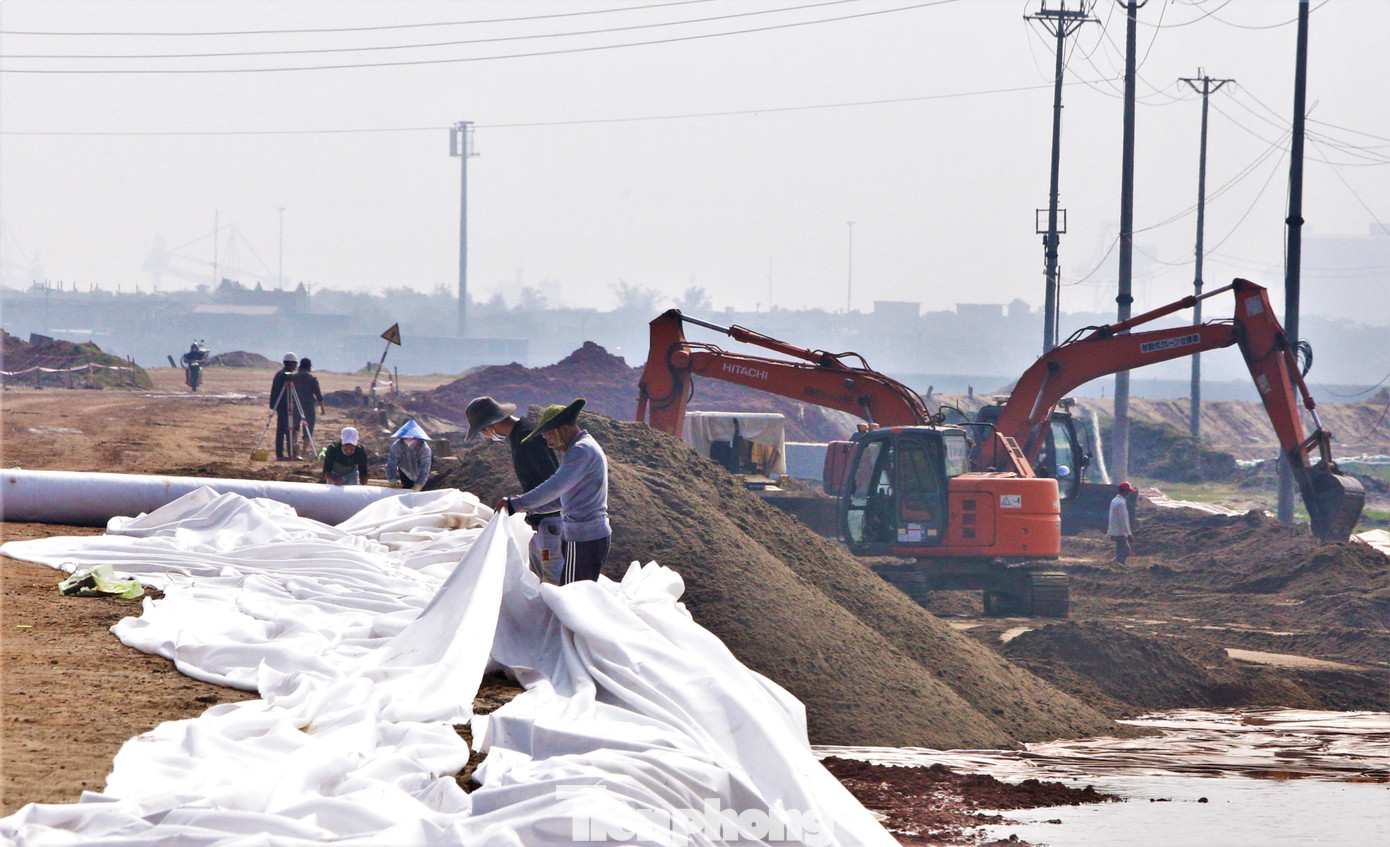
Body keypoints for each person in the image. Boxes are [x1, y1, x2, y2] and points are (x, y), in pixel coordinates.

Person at [493, 399, 610, 585]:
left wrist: (517, 504)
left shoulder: (581, 451)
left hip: (583, 537)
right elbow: (562, 498)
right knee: (577, 595)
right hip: (587, 535)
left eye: (548, 436)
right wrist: (529, 509)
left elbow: (555, 486)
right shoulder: (584, 447)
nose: (548, 443)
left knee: (571, 597)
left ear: (563, 429)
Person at [466, 396, 562, 581]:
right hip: (543, 522)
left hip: (551, 523)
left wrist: (519, 504)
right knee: (540, 580)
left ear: (489, 427)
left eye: (481, 431)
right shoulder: (521, 434)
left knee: (553, 585)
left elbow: (552, 485)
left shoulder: (528, 438)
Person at [386, 419, 434, 491]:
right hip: (405, 472)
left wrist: (418, 485)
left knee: (421, 495)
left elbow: (424, 470)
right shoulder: (397, 447)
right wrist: (392, 480)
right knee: (406, 492)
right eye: (406, 437)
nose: (408, 439)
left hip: (420, 475)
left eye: (411, 438)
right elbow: (391, 466)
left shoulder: (424, 449)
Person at [291, 358, 324, 457]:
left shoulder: (293, 377)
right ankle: (303, 452)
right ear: (309, 367)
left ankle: (295, 443)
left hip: (295, 405)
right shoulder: (312, 378)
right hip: (308, 407)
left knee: (295, 427)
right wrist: (322, 407)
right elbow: (318, 394)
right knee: (308, 429)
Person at [269, 352, 299, 461]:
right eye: (295, 364)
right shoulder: (285, 375)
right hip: (284, 406)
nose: (296, 366)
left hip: (279, 405)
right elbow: (286, 392)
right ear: (291, 364)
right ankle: (290, 454)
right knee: (287, 430)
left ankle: (281, 454)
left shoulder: (279, 373)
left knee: (281, 431)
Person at [1108, 481, 1136, 564]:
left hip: (1116, 530)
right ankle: (1115, 564)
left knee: (1120, 551)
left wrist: (1111, 532)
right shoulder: (1121, 503)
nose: (1129, 493)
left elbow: (1112, 517)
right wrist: (1129, 534)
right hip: (1120, 531)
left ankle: (1119, 565)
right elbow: (1124, 520)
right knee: (1125, 551)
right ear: (1125, 491)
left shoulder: (1114, 500)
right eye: (1128, 491)